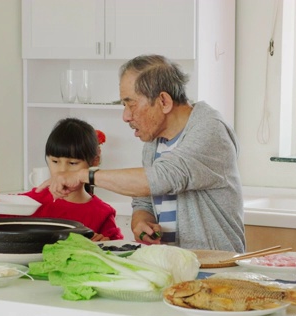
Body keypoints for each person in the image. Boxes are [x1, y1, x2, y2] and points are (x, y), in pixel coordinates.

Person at [40, 55, 245, 253]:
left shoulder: (209, 129)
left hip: (216, 268)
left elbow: (163, 177)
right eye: (124, 105)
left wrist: (84, 175)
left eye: (131, 104)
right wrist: (141, 220)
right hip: (174, 265)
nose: (125, 116)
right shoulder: (154, 140)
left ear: (163, 101)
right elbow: (144, 199)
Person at [0, 118, 123, 241]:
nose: (62, 171)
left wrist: (105, 244)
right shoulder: (30, 203)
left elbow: (118, 249)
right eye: (55, 161)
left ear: (94, 161)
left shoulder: (102, 213)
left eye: (72, 163)